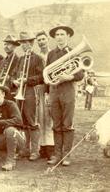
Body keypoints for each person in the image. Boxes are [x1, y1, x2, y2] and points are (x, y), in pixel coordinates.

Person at [47, 24, 84, 166]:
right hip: (54, 91)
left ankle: (67, 155)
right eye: (57, 35)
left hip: (68, 90)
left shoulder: (74, 52)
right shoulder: (51, 54)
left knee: (67, 124)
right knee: (56, 124)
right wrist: (47, 92)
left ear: (68, 36)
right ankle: (57, 155)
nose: (59, 37)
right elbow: (47, 73)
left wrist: (69, 77)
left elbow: (80, 74)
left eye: (62, 34)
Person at [13, 31, 44, 161]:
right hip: (20, 91)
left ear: (31, 43)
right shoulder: (20, 59)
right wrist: (14, 81)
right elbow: (14, 74)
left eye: (26, 43)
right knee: (23, 121)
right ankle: (25, 149)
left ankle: (35, 151)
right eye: (22, 43)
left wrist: (27, 80)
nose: (23, 46)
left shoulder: (37, 58)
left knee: (32, 121)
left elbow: (41, 77)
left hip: (30, 91)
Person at [35, 30, 54, 160]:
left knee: (49, 119)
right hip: (40, 89)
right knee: (40, 118)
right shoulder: (36, 56)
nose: (41, 42)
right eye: (39, 40)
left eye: (43, 39)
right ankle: (42, 147)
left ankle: (51, 148)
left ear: (47, 39)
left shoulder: (52, 54)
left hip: (51, 88)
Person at [0, 35, 20, 99]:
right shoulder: (2, 61)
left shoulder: (18, 60)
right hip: (2, 91)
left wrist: (9, 78)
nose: (6, 46)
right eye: (5, 44)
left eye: (9, 44)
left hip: (12, 91)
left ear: (14, 46)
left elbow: (18, 77)